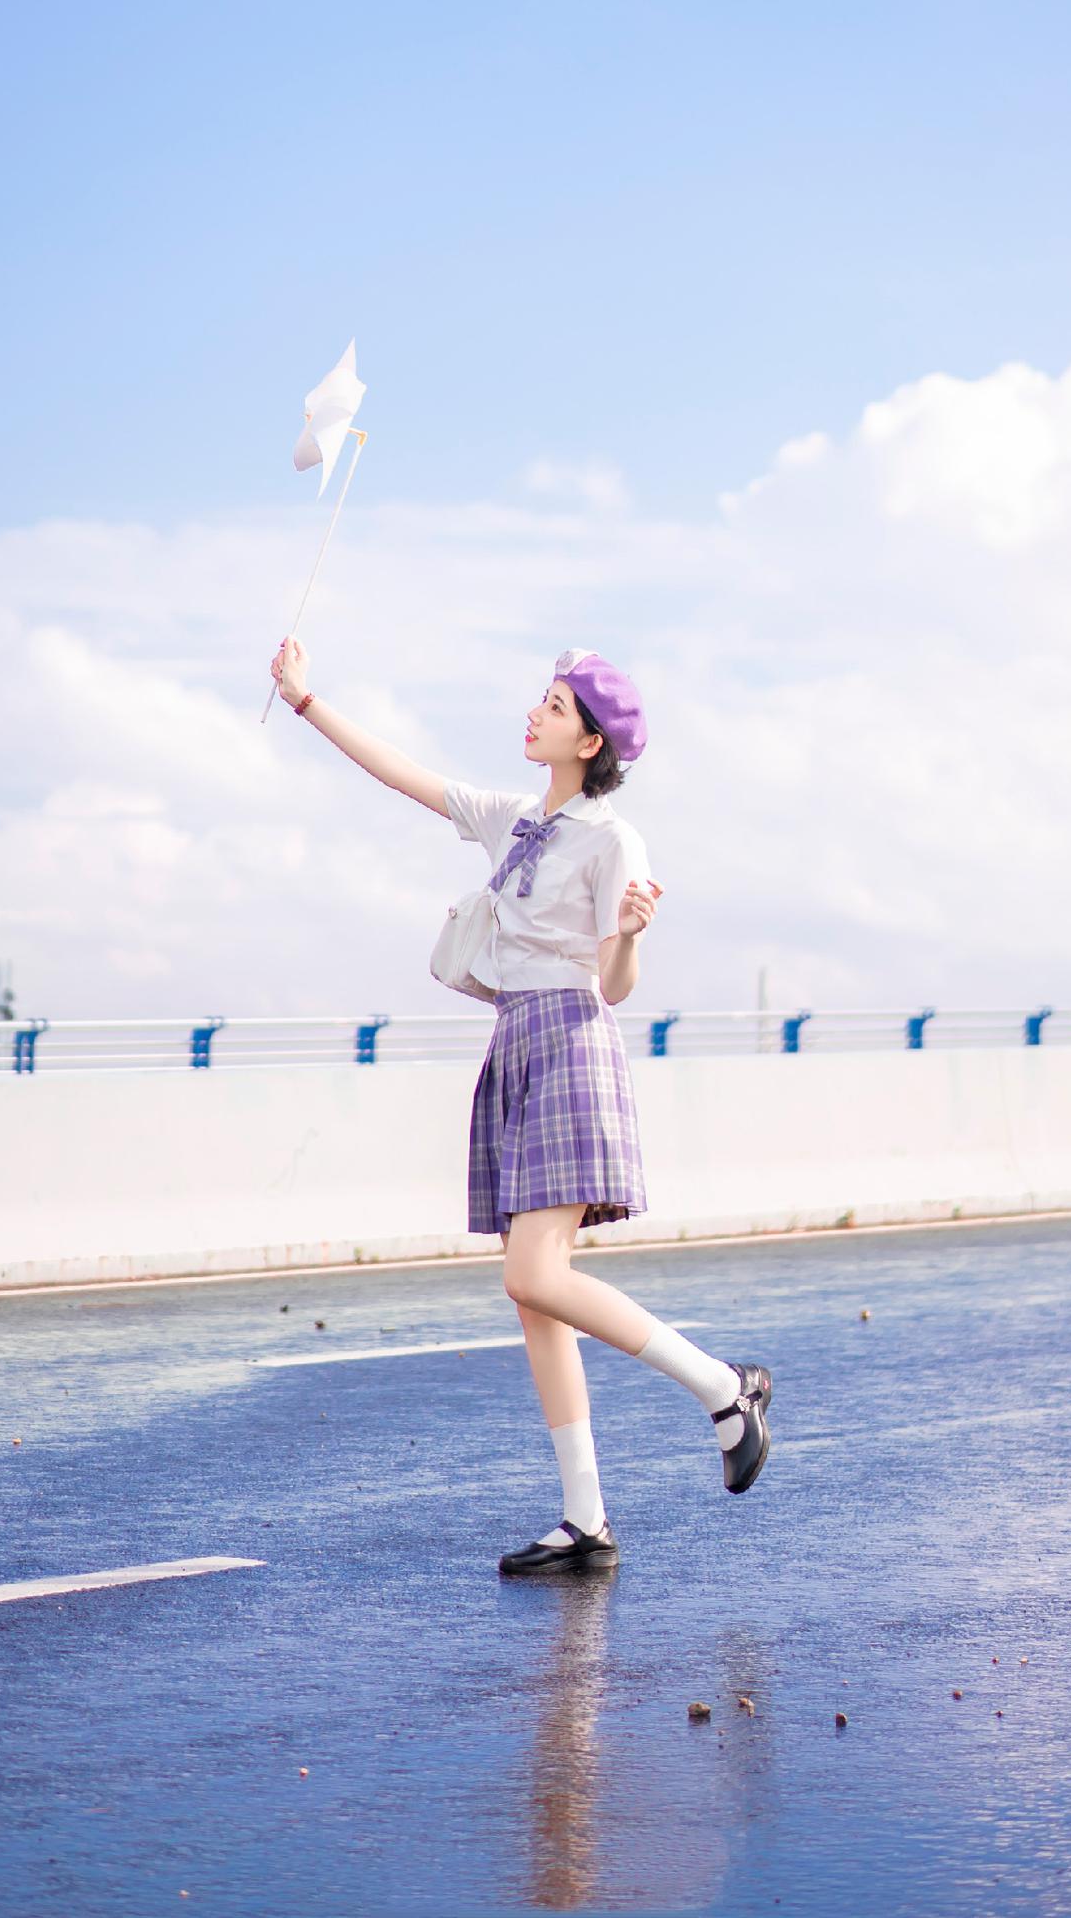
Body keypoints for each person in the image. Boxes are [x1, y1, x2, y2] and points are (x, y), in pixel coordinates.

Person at [269, 633, 773, 1574]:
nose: (535, 710)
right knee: (533, 1296)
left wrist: (624, 934)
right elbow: (401, 776)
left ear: (587, 741)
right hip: (516, 1044)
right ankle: (585, 1517)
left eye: (553, 703)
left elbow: (616, 983)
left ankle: (721, 1386)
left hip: (575, 1041)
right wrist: (306, 701)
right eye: (540, 697)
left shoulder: (614, 839)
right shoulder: (513, 818)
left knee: (535, 1275)